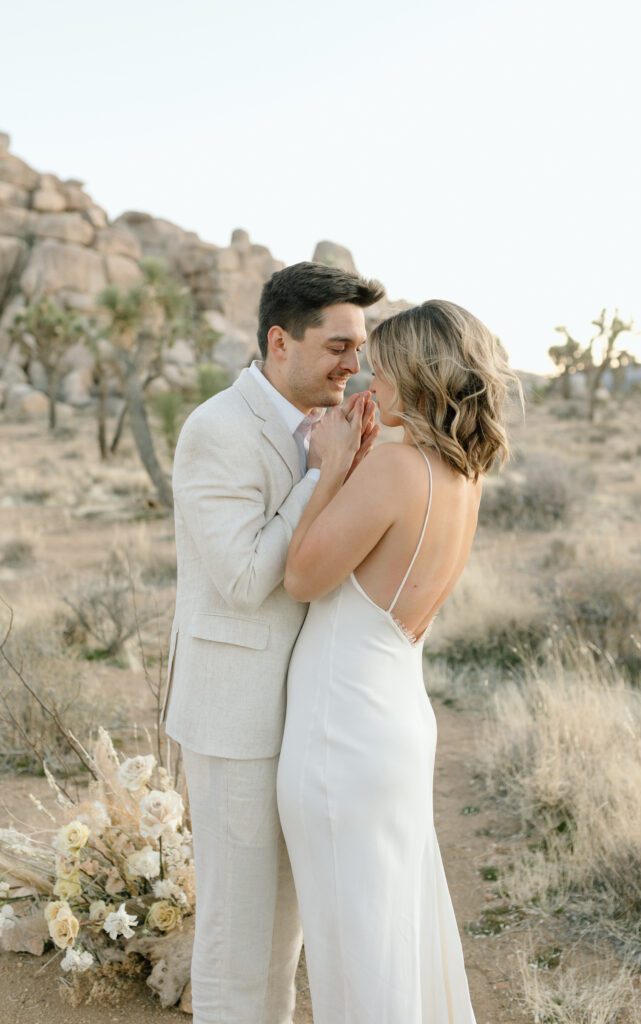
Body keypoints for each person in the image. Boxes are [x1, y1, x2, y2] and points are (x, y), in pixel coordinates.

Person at [277, 299, 520, 1023]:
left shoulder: (394, 469)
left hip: (342, 734)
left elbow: (301, 579)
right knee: (389, 937)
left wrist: (328, 468)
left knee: (355, 951)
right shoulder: (461, 476)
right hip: (392, 721)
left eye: (379, 372)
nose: (365, 387)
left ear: (416, 377)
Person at [161, 261, 385, 1024]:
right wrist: (321, 475)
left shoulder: (327, 426)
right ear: (279, 340)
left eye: (359, 347)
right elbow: (246, 576)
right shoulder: (216, 430)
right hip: (236, 718)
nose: (353, 365)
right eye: (338, 346)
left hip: (309, 712)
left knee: (284, 933)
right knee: (236, 931)